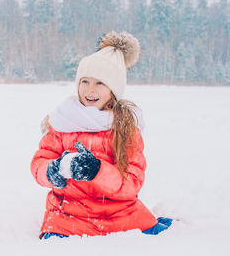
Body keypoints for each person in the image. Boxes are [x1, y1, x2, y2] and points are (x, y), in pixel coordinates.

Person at [31, 31, 172, 240]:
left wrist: (97, 171)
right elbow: (40, 162)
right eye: (85, 81)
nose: (90, 89)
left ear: (113, 89)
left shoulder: (125, 128)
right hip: (68, 216)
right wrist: (51, 171)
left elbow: (132, 182)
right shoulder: (62, 122)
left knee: (160, 239)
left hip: (121, 215)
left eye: (100, 83)